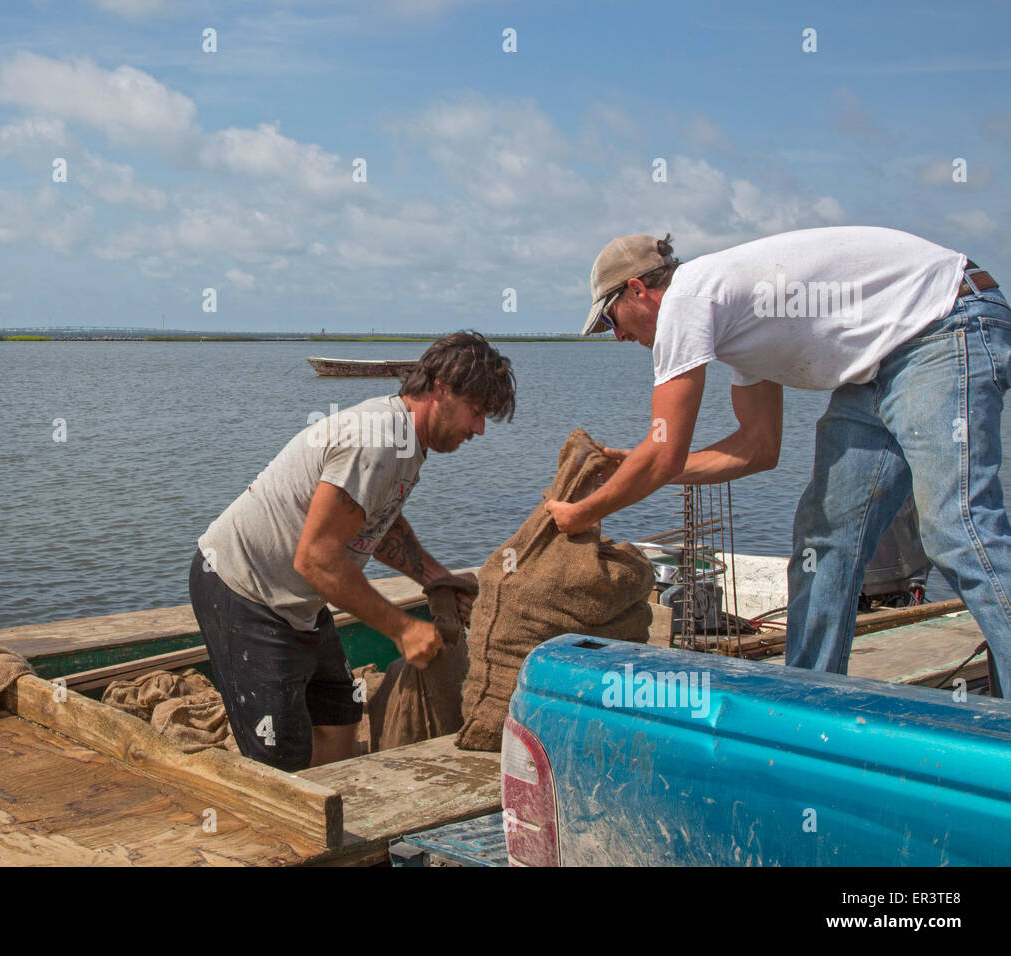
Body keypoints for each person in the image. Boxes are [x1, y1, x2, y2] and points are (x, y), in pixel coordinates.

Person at [545, 226, 1008, 696]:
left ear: (638, 290)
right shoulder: (741, 328)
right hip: (880, 362)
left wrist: (583, 512)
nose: (618, 336)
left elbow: (663, 452)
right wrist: (637, 472)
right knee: (825, 540)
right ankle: (806, 702)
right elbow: (757, 448)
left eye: (611, 320)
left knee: (959, 530)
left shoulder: (687, 298)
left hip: (945, 322)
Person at [190, 331, 517, 771]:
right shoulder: (378, 439)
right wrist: (402, 629)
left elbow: (374, 523)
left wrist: (436, 577)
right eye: (476, 412)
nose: (478, 429)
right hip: (243, 589)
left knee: (340, 715)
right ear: (440, 389)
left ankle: (341, 814)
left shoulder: (408, 442)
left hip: (298, 600)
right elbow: (317, 558)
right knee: (279, 758)